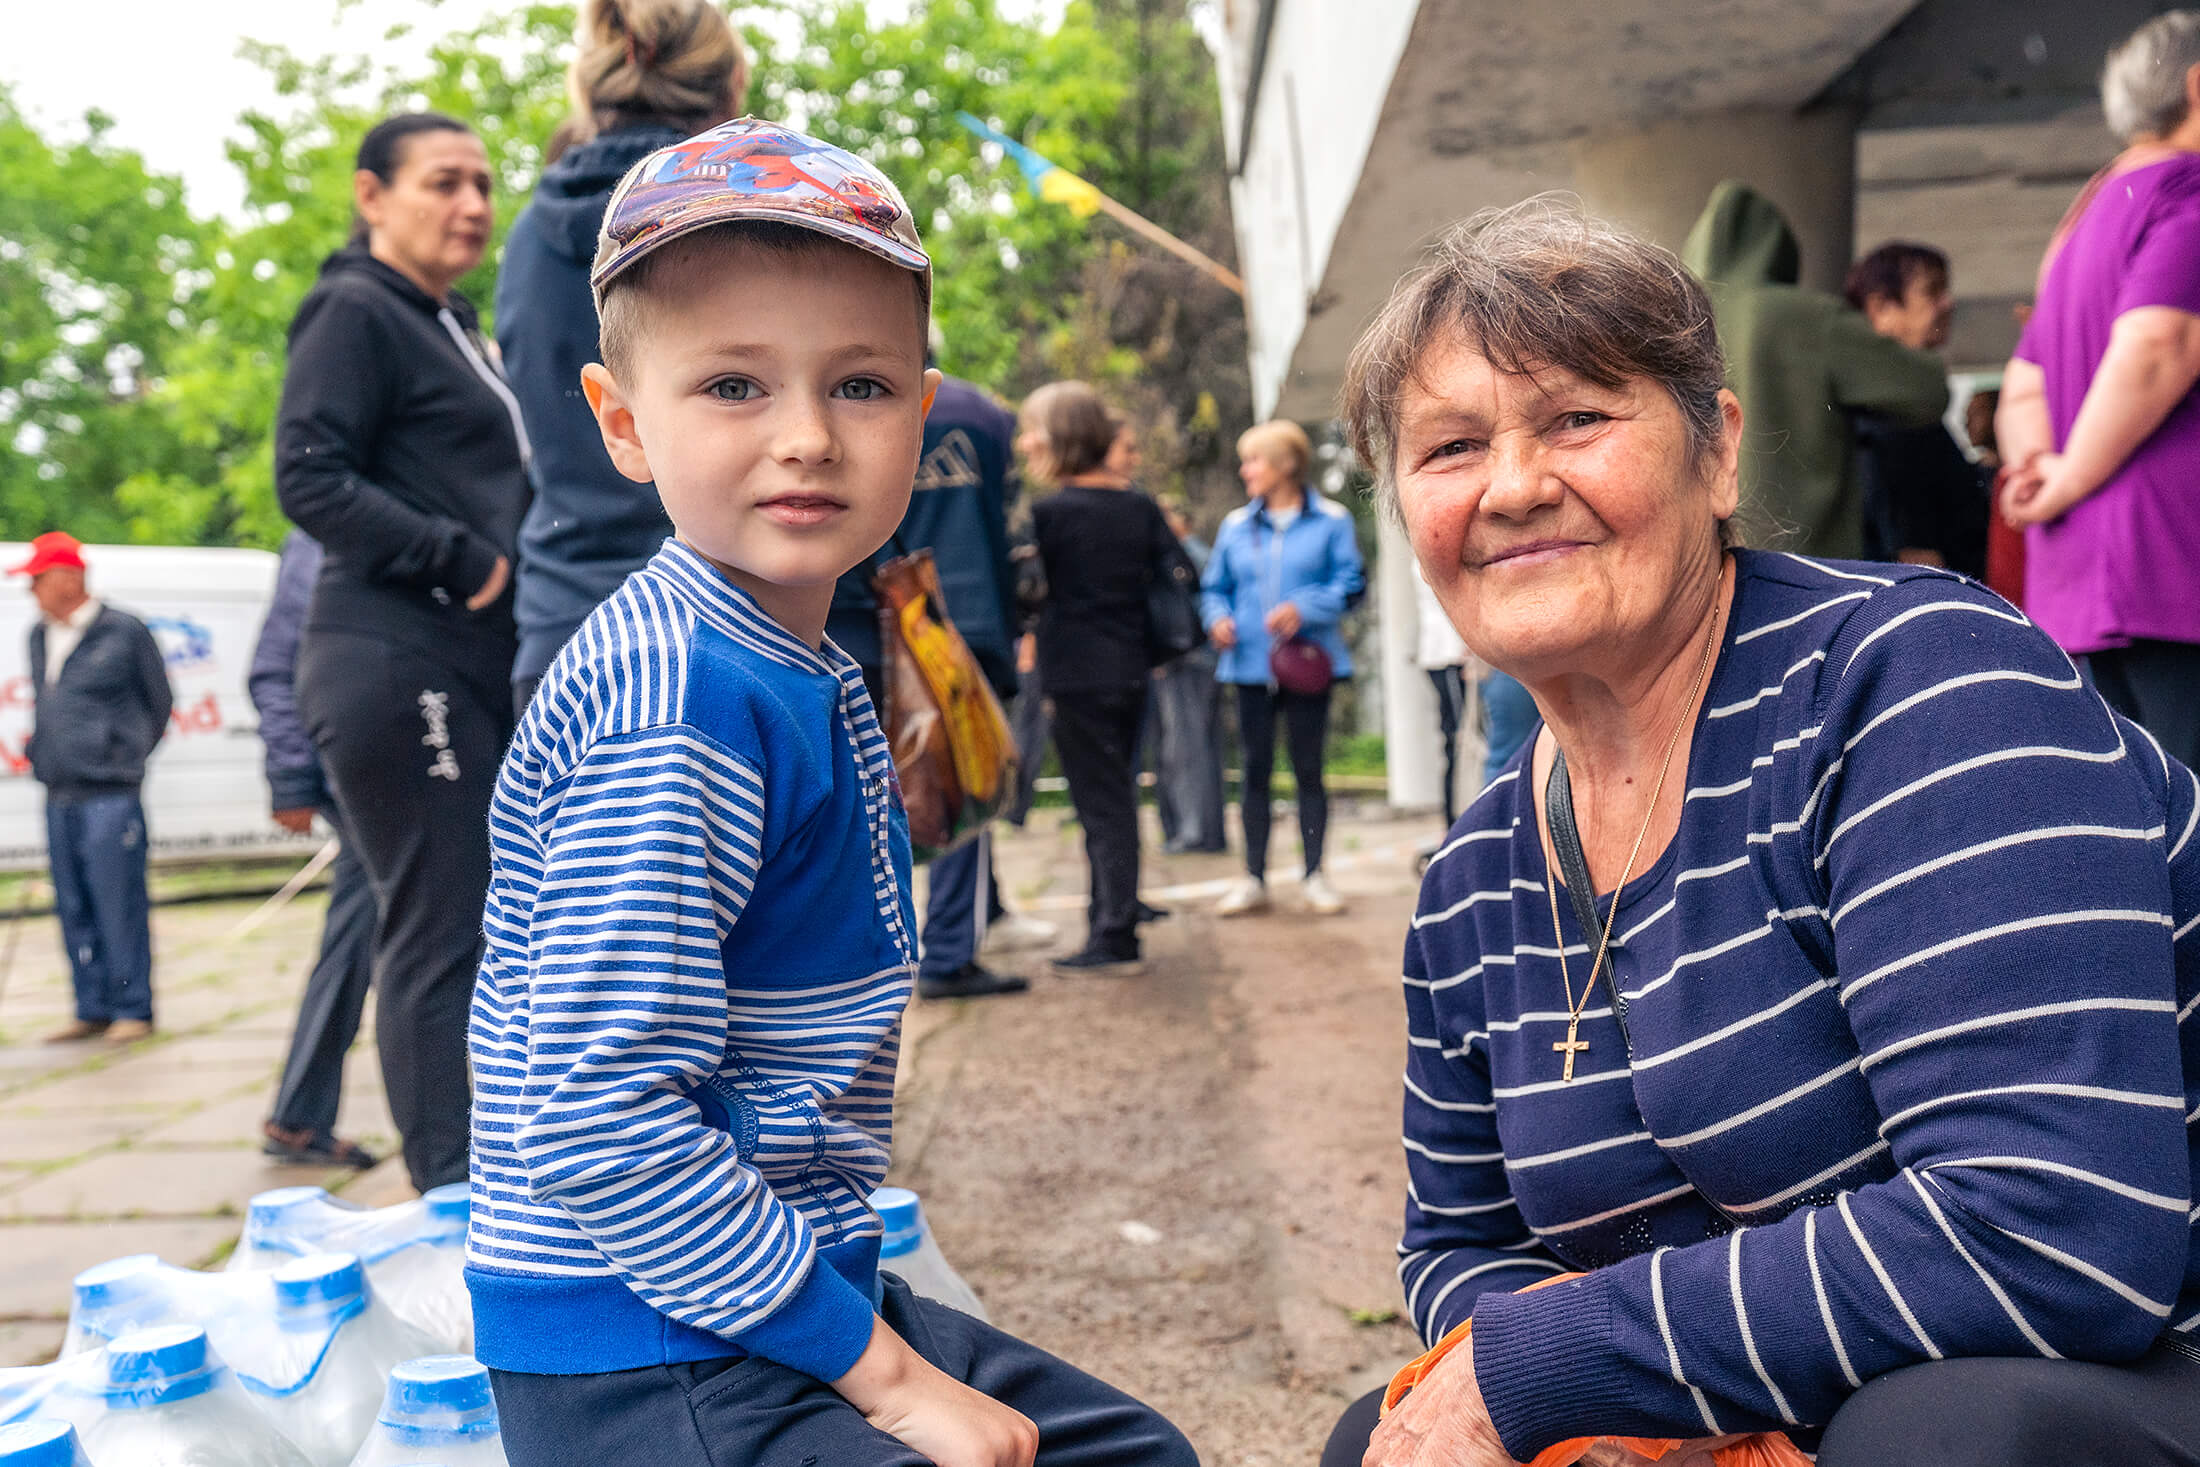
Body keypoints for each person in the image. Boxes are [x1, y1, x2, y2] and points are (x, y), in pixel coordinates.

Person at [1321, 195, 2200, 1467]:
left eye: (1577, 417)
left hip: (2133, 1361)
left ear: (1717, 451)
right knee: (1388, 1439)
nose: (1513, 486)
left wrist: (1585, 1364)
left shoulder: (1916, 690)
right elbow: (1463, 1243)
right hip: (1788, 1391)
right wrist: (1604, 1410)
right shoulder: (1471, 880)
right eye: (1449, 448)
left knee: (1936, 1439)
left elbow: (2051, 1224)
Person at [465, 119, 1196, 1467]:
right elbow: (599, 1108)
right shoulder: (675, 702)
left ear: (925, 415)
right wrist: (890, 1374)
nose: (804, 435)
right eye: (734, 385)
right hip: (647, 1346)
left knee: (1135, 1450)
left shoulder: (798, 662)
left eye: (860, 385)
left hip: (780, 1286)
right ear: (624, 423)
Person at [274, 111, 529, 1194]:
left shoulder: (450, 324)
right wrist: (462, 559)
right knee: (440, 927)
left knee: (493, 918)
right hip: (392, 655)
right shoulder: (352, 309)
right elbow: (309, 476)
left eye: (481, 182)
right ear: (371, 195)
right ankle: (457, 1202)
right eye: (442, 182)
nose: (472, 204)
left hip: (466, 655)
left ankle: (505, 1170)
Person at [498, 0, 748, 713]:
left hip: (564, 632)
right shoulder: (747, 222)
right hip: (730, 628)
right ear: (730, 88)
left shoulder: (529, 238)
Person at [1998, 9, 2200, 771]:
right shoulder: (2187, 190)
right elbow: (2161, 343)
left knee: (2136, 819)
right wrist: (2071, 474)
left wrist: (2042, 471)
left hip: (2080, 576)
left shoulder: (2080, 220)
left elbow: (2024, 381)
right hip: (2175, 564)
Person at [825, 358, 1052, 1000]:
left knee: (865, 793)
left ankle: (866, 960)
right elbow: (1012, 531)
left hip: (860, 617)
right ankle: (950, 949)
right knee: (961, 786)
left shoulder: (847, 399)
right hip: (964, 615)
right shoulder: (983, 412)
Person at [1681, 181, 1950, 558]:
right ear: (1776, 249)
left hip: (1699, 566)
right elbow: (1925, 389)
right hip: (1804, 565)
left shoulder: (1673, 325)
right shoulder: (1802, 317)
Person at [1021, 381, 1181, 975]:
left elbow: (1028, 596)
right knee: (1117, 797)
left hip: (1076, 675)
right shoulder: (1138, 505)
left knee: (1101, 806)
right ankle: (1117, 915)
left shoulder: (1048, 514)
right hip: (1132, 669)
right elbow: (1174, 573)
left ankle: (1113, 936)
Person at [247, 531, 378, 1169]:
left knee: (359, 946)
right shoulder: (320, 531)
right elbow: (275, 666)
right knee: (379, 948)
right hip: (369, 782)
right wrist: (293, 776)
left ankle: (298, 1114)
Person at [1201, 420, 1367, 918]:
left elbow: (1352, 585)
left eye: (1255, 460)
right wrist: (1218, 618)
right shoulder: (1234, 526)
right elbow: (1214, 588)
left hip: (1308, 666)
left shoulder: (1332, 521)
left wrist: (1307, 608)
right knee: (1253, 772)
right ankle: (1253, 878)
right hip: (1248, 666)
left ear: (1287, 465)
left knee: (1308, 770)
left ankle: (1315, 875)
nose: (1244, 469)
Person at [13, 532, 170, 1046]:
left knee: (117, 901)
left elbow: (158, 703)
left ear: (68, 578)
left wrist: (121, 755)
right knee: (74, 904)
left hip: (111, 792)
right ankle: (91, 1006)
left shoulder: (122, 631)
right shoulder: (38, 636)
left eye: (37, 579)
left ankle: (133, 1007)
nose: (31, 590)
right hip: (59, 790)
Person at [1842, 241, 1990, 578]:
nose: (1947, 303)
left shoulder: (1904, 405)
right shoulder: (1886, 411)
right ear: (1880, 308)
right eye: (1932, 291)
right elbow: (1914, 552)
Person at [1154, 494, 1227, 854]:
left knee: (1187, 749)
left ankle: (1195, 832)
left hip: (1190, 662)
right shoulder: (1194, 556)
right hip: (1202, 663)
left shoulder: (1186, 558)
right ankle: (1207, 831)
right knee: (1201, 747)